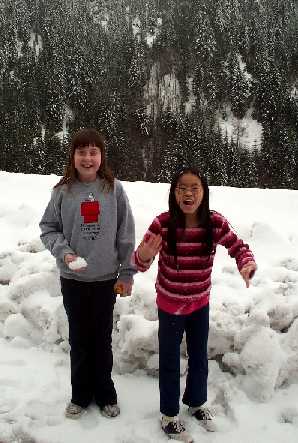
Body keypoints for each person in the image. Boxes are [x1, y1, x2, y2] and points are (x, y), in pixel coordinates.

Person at [133, 167, 256, 441]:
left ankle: (197, 403)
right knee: (169, 360)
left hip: (200, 303)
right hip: (169, 305)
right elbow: (138, 263)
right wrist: (143, 255)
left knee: (200, 357)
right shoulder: (162, 224)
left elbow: (238, 246)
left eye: (194, 188)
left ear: (204, 192)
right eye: (182, 188)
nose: (188, 193)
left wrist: (246, 264)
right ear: (173, 193)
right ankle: (168, 415)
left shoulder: (215, 223)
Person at [40, 128, 135, 419]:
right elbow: (48, 228)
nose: (88, 157)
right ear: (73, 156)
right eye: (82, 152)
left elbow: (126, 233)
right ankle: (80, 394)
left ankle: (106, 394)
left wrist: (127, 272)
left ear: (101, 156)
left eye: (93, 152)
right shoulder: (62, 191)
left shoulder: (114, 189)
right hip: (73, 281)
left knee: (102, 340)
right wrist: (65, 252)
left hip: (106, 280)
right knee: (80, 340)